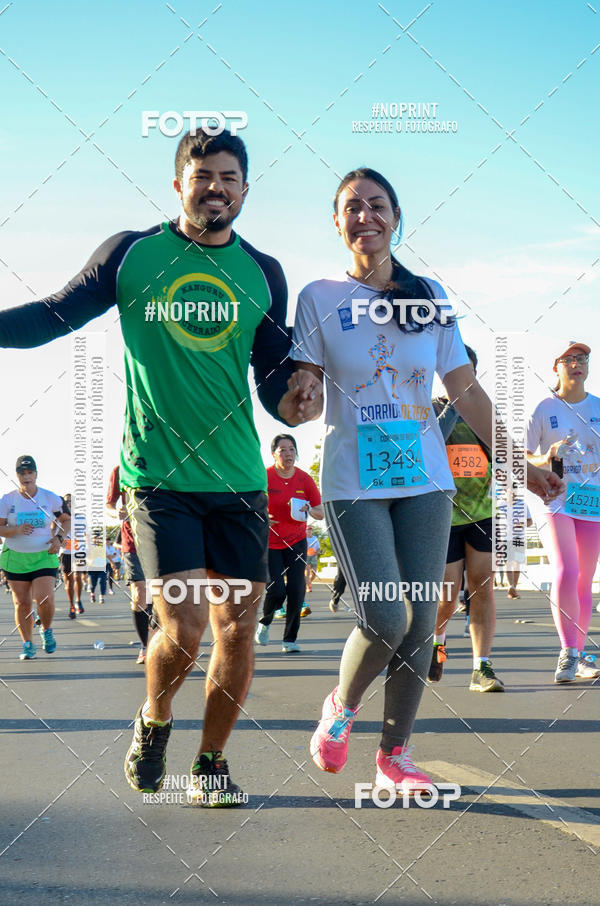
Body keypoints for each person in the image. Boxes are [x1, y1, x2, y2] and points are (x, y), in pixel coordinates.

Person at [0, 128, 317, 804]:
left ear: (245, 191)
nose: (216, 189)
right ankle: (155, 717)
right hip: (159, 477)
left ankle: (208, 764)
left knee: (237, 629)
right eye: (203, 177)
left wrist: (295, 402)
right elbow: (55, 315)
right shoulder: (133, 255)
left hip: (238, 480)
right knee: (185, 626)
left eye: (229, 179)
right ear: (179, 185)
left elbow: (269, 380)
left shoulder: (264, 272)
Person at [290, 167, 564, 791]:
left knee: (423, 620)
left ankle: (395, 756)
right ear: (337, 223)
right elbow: (301, 380)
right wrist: (300, 394)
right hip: (353, 477)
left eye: (377, 205)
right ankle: (342, 708)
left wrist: (522, 466)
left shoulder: (429, 294)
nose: (365, 215)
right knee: (386, 614)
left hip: (424, 476)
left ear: (396, 218)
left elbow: (464, 390)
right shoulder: (319, 297)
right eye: (351, 207)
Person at [429, 345, 503, 692]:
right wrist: (455, 409)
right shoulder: (427, 410)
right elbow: (430, 445)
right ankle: (437, 639)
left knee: (482, 587)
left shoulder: (485, 412)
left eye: (468, 372)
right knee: (447, 594)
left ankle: (482, 668)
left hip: (483, 513)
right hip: (444, 515)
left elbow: (504, 457)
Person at [527, 341, 600, 683]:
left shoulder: (598, 407)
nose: (576, 364)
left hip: (592, 502)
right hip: (554, 499)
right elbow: (521, 457)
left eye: (582, 358)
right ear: (556, 367)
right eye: (569, 359)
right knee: (567, 570)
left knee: (585, 579)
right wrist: (547, 457)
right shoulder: (543, 408)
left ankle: (581, 654)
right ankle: (568, 653)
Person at [254, 435, 323, 652]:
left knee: (297, 590)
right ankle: (264, 623)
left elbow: (320, 512)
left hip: (296, 541)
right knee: (277, 590)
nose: (288, 453)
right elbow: (248, 503)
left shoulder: (304, 479)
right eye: (282, 450)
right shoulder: (263, 476)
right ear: (273, 453)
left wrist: (309, 510)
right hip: (270, 541)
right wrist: (262, 514)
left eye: (291, 449)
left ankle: (289, 640)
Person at [0, 456, 70, 660]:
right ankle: (27, 644)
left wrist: (59, 538)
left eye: (30, 473)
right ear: (17, 476)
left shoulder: (50, 498)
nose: (26, 477)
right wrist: (16, 529)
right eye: (22, 473)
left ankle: (46, 630)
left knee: (45, 598)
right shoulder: (8, 500)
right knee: (22, 603)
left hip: (44, 555)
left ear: (36, 474)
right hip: (16, 557)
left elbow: (66, 520)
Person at [106, 465, 151, 665]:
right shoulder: (120, 471)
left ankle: (158, 633)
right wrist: (116, 511)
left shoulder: (165, 458)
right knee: (140, 594)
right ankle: (145, 646)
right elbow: (108, 504)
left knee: (161, 594)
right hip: (132, 541)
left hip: (162, 539)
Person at [60, 493, 84, 619]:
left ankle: (78, 600)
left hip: (79, 551)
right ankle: (71, 605)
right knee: (68, 582)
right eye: (67, 501)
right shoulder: (60, 518)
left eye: (71, 501)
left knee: (77, 576)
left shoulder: (81, 517)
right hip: (66, 552)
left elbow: (87, 535)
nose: (69, 503)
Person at [304, 524, 321, 598]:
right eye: (308, 530)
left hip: (314, 556)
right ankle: (308, 587)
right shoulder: (304, 538)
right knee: (307, 572)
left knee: (314, 573)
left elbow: (318, 548)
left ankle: (308, 583)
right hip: (306, 556)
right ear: (305, 531)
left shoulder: (315, 538)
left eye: (310, 530)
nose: (309, 531)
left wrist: (316, 552)